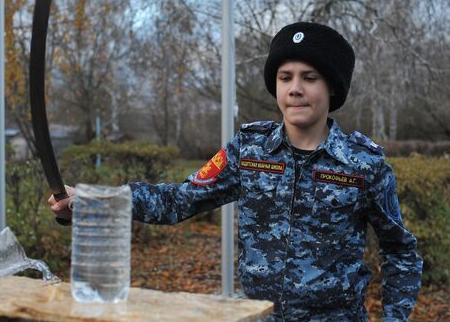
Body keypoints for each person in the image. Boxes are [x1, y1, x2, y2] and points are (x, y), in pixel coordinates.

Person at [49, 22, 422, 321]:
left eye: (309, 77)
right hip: (257, 316)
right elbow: (179, 200)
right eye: (285, 77)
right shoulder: (250, 149)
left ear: (332, 87)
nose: (295, 89)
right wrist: (88, 200)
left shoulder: (363, 164)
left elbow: (400, 250)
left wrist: (394, 318)